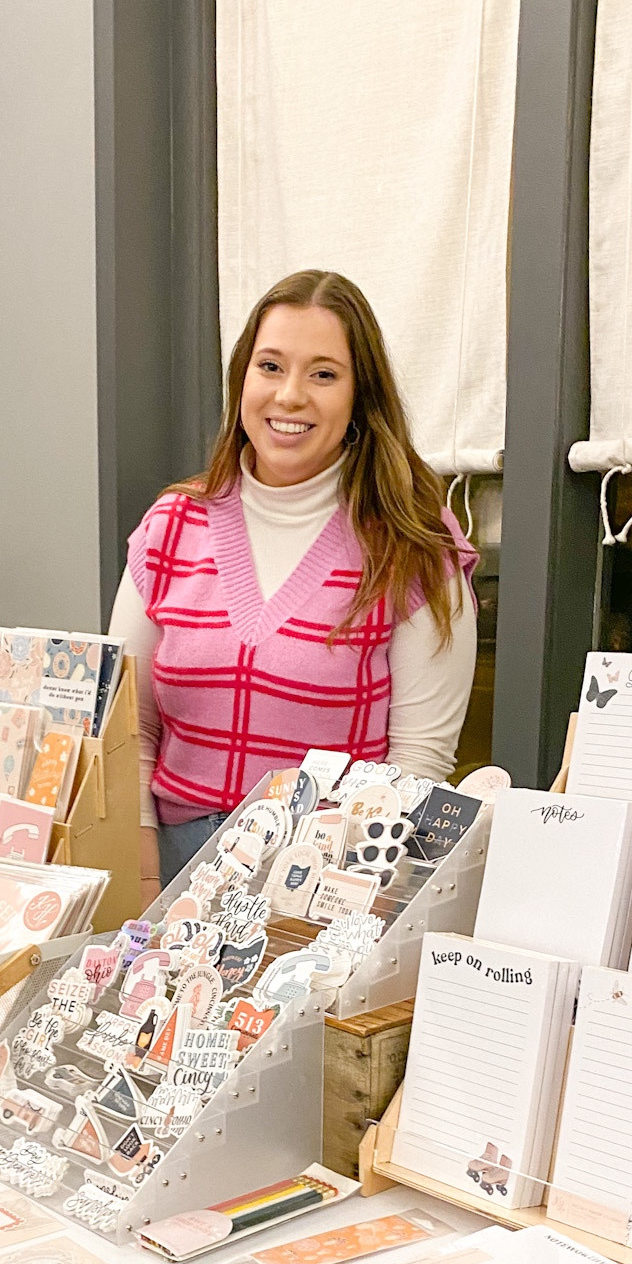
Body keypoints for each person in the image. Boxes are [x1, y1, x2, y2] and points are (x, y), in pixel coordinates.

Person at [109, 268, 480, 892]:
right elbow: (128, 730)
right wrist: (145, 879)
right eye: (271, 367)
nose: (290, 396)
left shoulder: (414, 545)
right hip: (167, 875)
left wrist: (334, 907)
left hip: (319, 889)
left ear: (361, 397)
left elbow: (417, 764)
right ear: (242, 381)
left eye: (324, 374)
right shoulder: (172, 527)